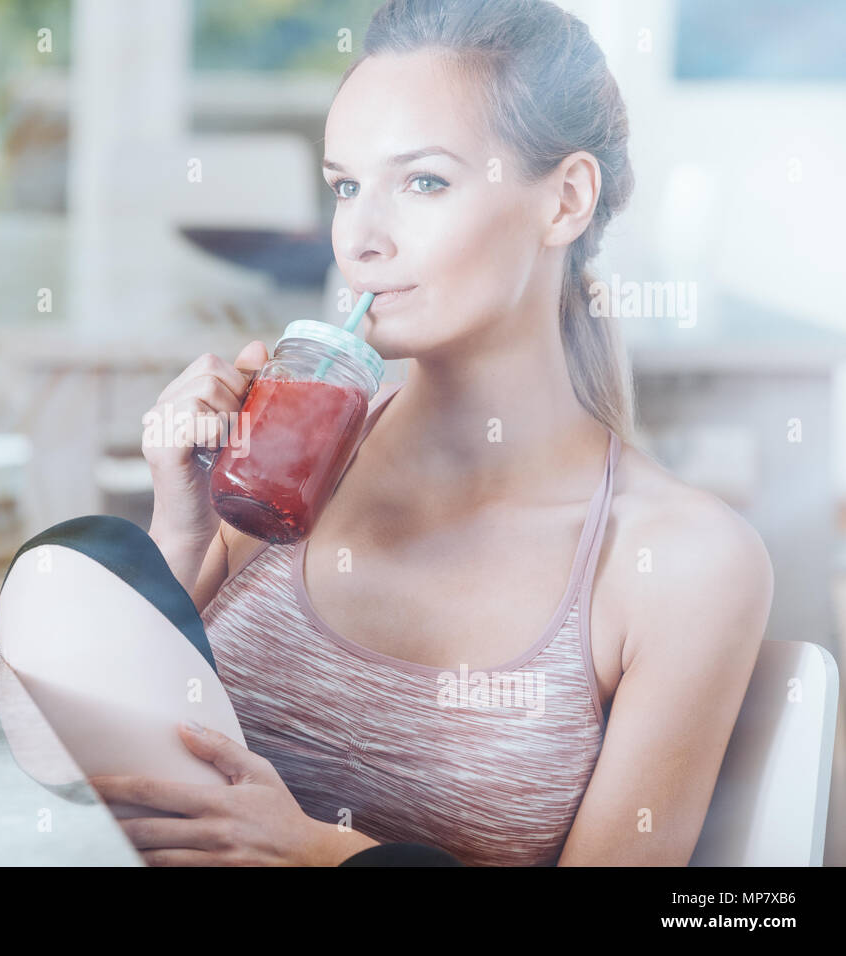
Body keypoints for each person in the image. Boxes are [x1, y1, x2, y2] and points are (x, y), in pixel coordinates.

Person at [88, 0, 774, 866]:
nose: (360, 240)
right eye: (346, 186)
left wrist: (314, 852)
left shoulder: (683, 562)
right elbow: (90, 755)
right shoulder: (292, 454)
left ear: (564, 200)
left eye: (424, 182)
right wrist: (179, 534)